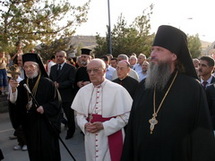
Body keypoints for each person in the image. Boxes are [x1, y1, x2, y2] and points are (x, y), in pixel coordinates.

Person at [121, 25, 215, 161]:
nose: (152, 54)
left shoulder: (192, 88)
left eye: (159, 50)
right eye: (152, 49)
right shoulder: (143, 86)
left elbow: (202, 136)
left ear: (173, 56)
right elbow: (132, 129)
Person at [71, 59, 132, 161]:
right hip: (90, 136)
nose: (92, 74)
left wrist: (105, 125)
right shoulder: (82, 91)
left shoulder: (118, 89)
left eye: (96, 70)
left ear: (104, 71)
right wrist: (84, 125)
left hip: (111, 134)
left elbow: (127, 116)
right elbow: (79, 114)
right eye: (89, 71)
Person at [9, 53, 62, 161]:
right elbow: (15, 104)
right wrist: (13, 90)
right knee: (34, 153)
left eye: (31, 66)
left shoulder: (48, 83)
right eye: (26, 67)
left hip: (45, 125)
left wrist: (45, 108)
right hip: (30, 125)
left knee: (48, 153)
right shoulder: (22, 84)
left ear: (38, 67)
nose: (28, 69)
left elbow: (57, 102)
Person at [49, 50, 76, 140]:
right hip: (55, 95)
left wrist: (60, 85)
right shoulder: (53, 68)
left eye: (61, 56)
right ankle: (56, 130)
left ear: (65, 57)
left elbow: (72, 81)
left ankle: (71, 131)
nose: (58, 58)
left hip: (67, 96)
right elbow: (50, 79)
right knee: (56, 114)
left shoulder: (70, 68)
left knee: (69, 115)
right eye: (57, 56)